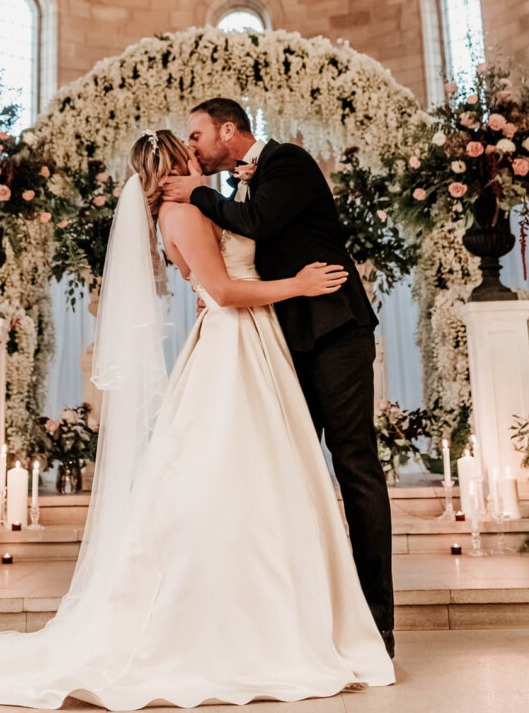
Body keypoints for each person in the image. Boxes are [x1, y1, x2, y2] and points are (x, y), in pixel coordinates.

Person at [0, 129, 394, 709]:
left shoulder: (192, 206)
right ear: (175, 163)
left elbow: (226, 260)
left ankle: (286, 611)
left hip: (249, 342)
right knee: (239, 477)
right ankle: (248, 621)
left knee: (253, 477)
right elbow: (219, 287)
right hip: (234, 345)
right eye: (189, 147)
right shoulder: (184, 208)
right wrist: (297, 284)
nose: (198, 153)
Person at [162, 98, 395, 656]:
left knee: (354, 463)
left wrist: (196, 192)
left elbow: (259, 223)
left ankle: (376, 621)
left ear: (227, 129)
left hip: (333, 330)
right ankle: (303, 621)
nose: (191, 146)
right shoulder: (240, 185)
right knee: (288, 476)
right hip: (277, 341)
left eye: (197, 135)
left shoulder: (287, 160)